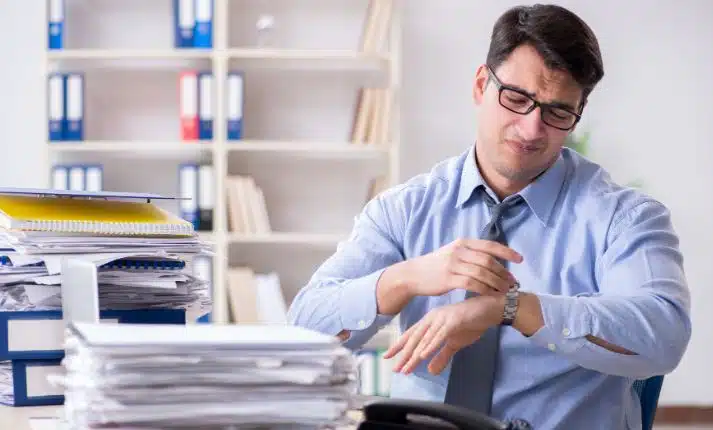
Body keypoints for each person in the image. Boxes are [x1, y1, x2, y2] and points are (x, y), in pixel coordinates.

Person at [288, 4, 691, 429]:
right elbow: (302, 337)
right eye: (517, 99)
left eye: (557, 112)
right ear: (482, 84)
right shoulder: (405, 209)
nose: (531, 128)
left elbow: (662, 333)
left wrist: (512, 308)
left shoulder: (624, 218)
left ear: (578, 115)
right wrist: (404, 279)